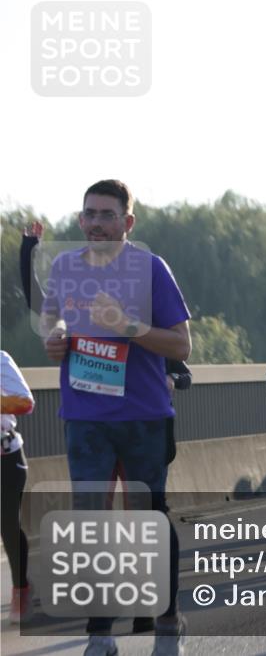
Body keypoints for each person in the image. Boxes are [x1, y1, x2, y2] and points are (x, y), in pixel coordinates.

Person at [40, 180, 191, 655]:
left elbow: (182, 345)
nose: (97, 224)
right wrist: (56, 336)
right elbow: (51, 320)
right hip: (85, 416)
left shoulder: (149, 269)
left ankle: (167, 623)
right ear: (81, 220)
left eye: (108, 215)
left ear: (128, 222)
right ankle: (100, 634)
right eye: (90, 214)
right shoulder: (65, 267)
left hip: (143, 415)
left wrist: (129, 328)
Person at [1, 351, 34, 624]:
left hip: (6, 458)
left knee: (8, 525)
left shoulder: (0, 360)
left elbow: (25, 402)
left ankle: (20, 588)